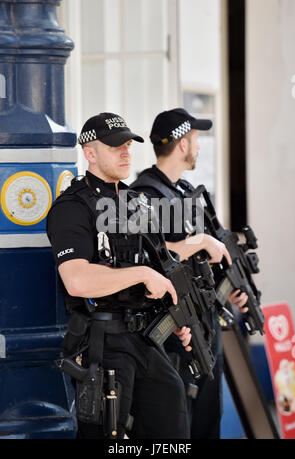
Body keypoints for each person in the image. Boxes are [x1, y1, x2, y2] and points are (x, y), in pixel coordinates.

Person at [46, 112, 193, 439]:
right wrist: (140, 274)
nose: (126, 152)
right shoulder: (72, 208)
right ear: (90, 153)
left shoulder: (134, 202)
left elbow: (160, 262)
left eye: (128, 144)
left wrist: (176, 316)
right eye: (115, 146)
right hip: (103, 341)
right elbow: (77, 279)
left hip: (144, 337)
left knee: (172, 420)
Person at [130, 108, 248, 439]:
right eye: (195, 139)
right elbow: (148, 254)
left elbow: (199, 259)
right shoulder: (145, 196)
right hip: (175, 330)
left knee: (208, 418)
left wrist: (228, 284)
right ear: (182, 143)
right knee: (179, 423)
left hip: (204, 318)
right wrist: (200, 241)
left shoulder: (183, 190)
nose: (198, 146)